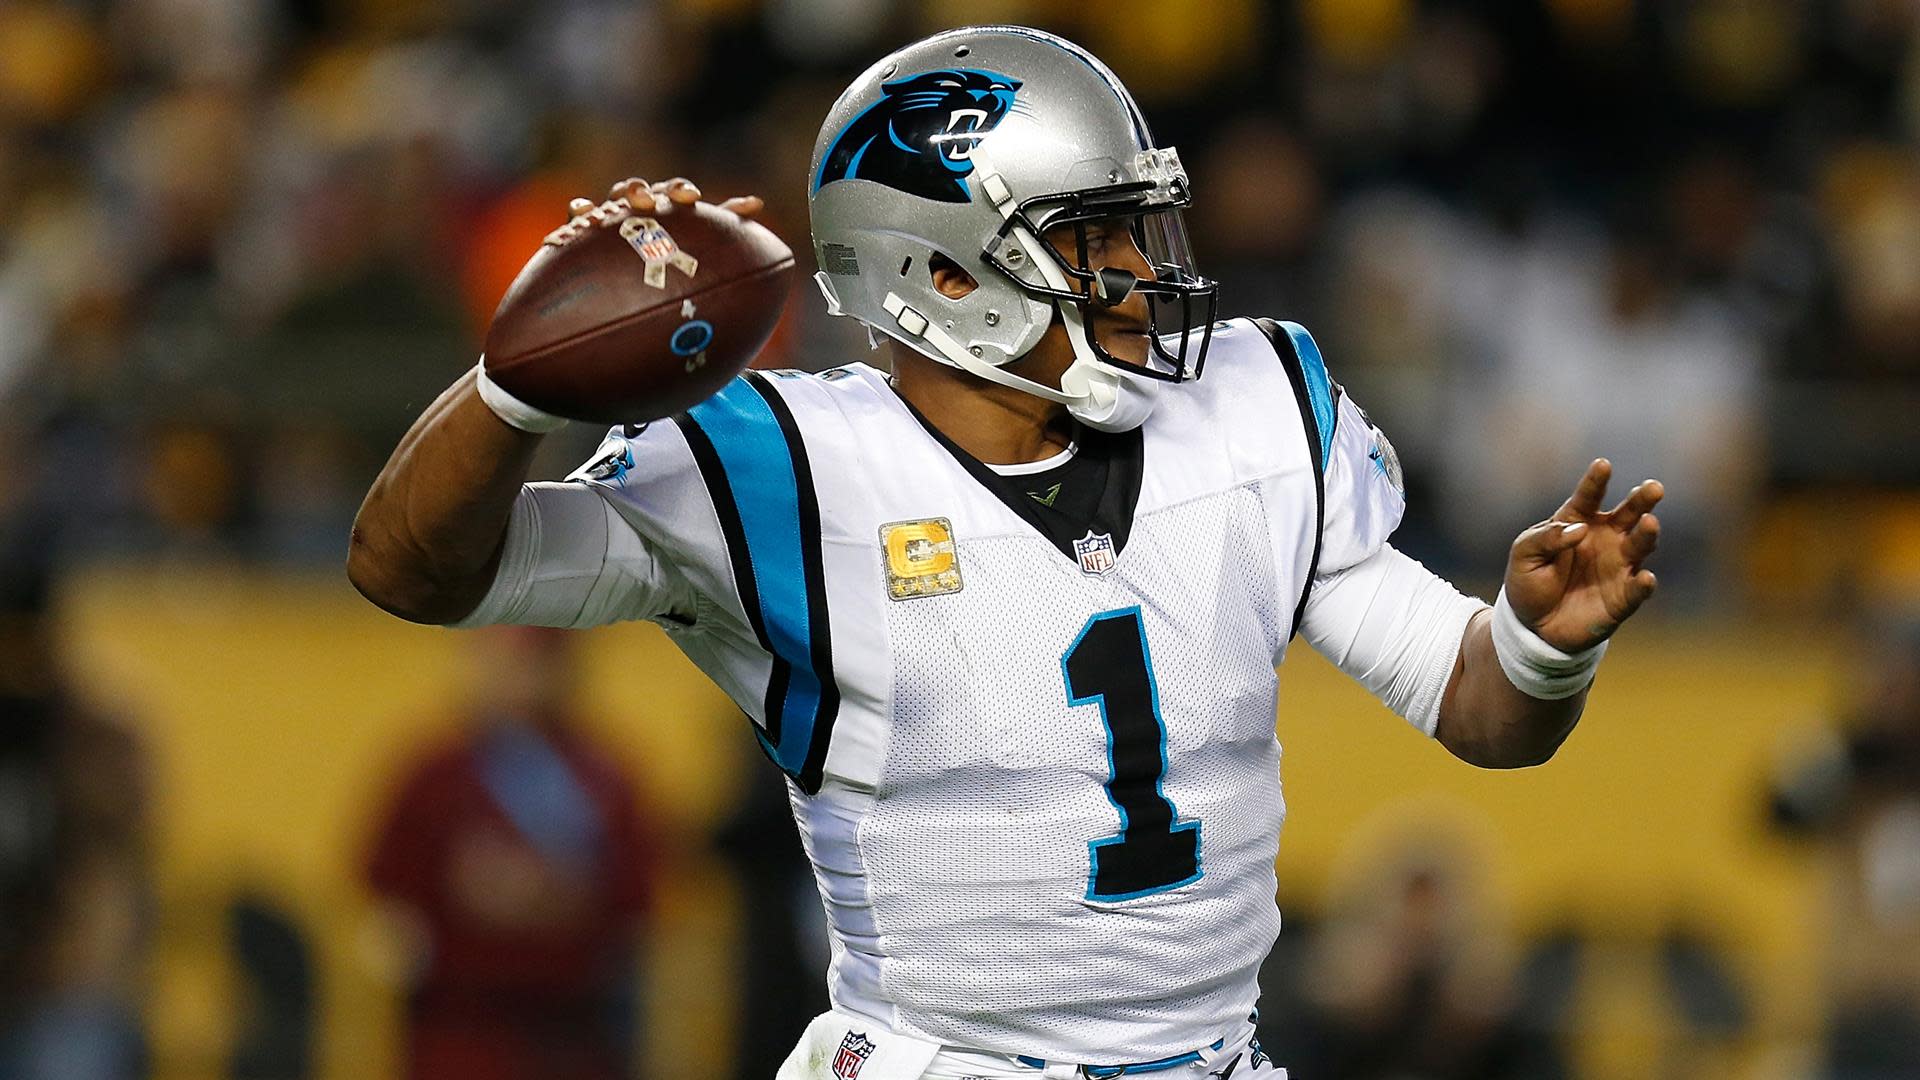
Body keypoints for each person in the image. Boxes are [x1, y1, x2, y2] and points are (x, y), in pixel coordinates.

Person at [347, 26, 1665, 1080]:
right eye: (1093, 241)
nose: (1147, 273)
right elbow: (412, 570)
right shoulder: (780, 464)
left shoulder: (1259, 406)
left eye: (1142, 229)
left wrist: (1541, 646)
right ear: (947, 277)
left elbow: (1481, 713)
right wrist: (515, 393)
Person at [363, 627, 657, 1080]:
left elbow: (640, 895)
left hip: (574, 1037)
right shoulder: (436, 775)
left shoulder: (603, 777)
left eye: (530, 661)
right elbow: (388, 896)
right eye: (498, 660)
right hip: (460, 1035)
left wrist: (562, 894)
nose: (514, 678)